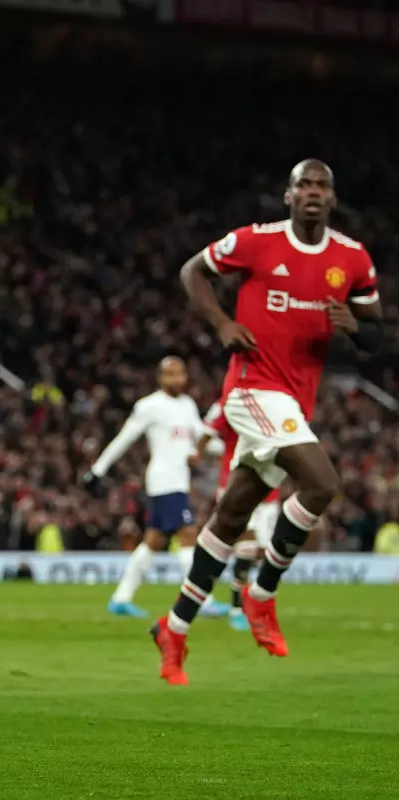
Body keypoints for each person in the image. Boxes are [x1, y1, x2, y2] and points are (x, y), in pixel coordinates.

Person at [152, 159, 382, 685]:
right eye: (304, 184)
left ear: (333, 199)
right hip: (252, 390)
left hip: (294, 404)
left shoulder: (351, 259)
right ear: (288, 195)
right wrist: (221, 322)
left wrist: (355, 329)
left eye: (323, 185)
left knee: (231, 518)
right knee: (322, 483)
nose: (313, 193)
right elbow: (193, 271)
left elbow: (378, 337)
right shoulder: (257, 242)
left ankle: (175, 627)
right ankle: (261, 596)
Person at [81, 357, 227, 619]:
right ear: (160, 378)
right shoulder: (149, 406)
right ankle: (202, 599)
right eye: (170, 375)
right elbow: (124, 438)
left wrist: (226, 450)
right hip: (163, 481)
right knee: (187, 534)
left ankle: (121, 598)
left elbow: (201, 438)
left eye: (180, 373)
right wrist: (98, 470)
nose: (176, 379)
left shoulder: (187, 405)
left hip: (179, 481)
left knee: (153, 542)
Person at [194, 396, 283, 632]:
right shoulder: (229, 402)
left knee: (262, 552)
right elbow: (206, 432)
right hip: (236, 484)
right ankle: (237, 609)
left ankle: (250, 599)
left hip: (270, 490)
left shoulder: (277, 402)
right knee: (246, 545)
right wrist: (198, 453)